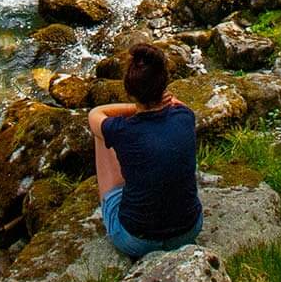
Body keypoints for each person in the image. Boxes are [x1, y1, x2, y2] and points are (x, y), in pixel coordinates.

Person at [87, 42, 203, 258]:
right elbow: (181, 106)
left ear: (130, 91)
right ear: (164, 86)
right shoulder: (185, 116)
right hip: (189, 230)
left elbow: (95, 113)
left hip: (137, 240)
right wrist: (158, 103)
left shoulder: (124, 130)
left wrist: (137, 108)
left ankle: (113, 198)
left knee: (102, 135)